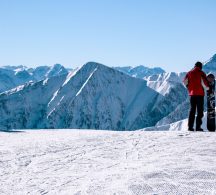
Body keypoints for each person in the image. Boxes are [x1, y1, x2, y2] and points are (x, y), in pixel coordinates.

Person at [183, 61, 209, 131]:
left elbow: (184, 82)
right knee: (200, 111)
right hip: (200, 94)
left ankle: (190, 127)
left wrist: (189, 87)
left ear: (194, 66)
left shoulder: (189, 73)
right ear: (200, 67)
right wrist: (208, 88)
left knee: (192, 110)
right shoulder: (201, 73)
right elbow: (204, 84)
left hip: (192, 94)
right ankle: (198, 127)